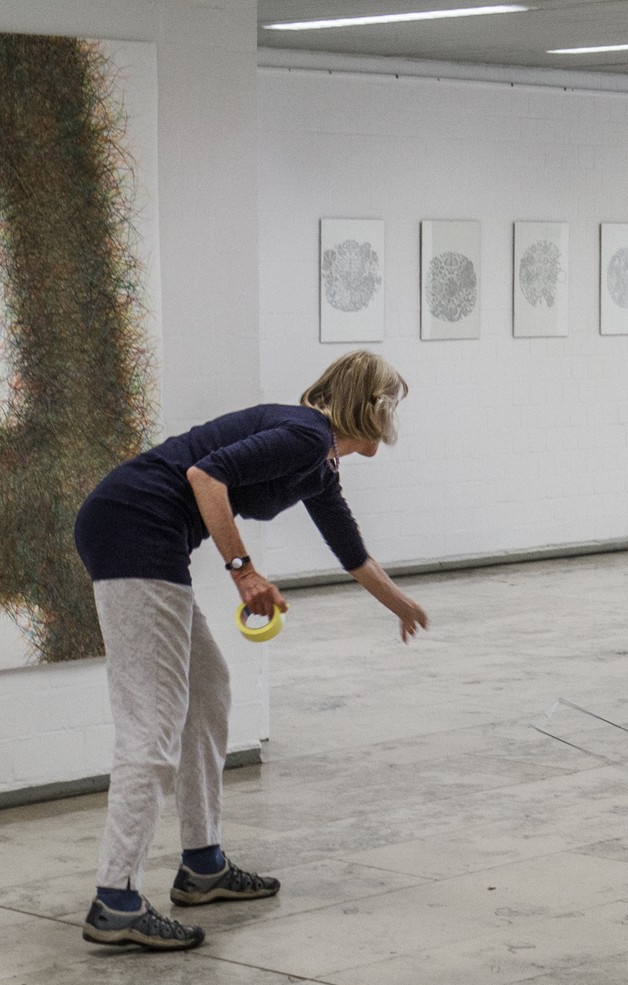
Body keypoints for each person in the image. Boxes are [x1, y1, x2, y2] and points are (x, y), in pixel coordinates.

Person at [72, 350, 429, 950]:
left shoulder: (317, 460)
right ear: (371, 408)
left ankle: (203, 865)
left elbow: (350, 549)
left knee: (207, 689)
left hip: (144, 532)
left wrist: (401, 605)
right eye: (391, 406)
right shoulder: (304, 434)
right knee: (153, 725)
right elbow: (204, 477)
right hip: (134, 526)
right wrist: (244, 571)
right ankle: (116, 898)